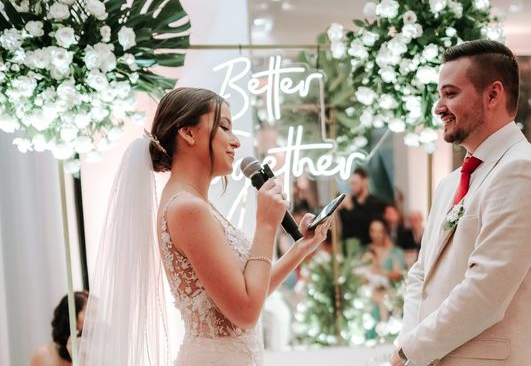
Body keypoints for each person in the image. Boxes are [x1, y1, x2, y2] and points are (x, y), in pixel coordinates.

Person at [79, 87, 331, 366]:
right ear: (188, 133)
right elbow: (246, 313)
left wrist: (302, 247)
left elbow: (247, 293)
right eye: (223, 126)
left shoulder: (195, 203)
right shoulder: (187, 208)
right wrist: (265, 225)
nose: (235, 141)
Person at [392, 40, 531, 366]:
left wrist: (409, 351)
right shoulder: (450, 182)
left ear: (493, 95)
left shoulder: (524, 171)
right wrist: (409, 345)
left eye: (451, 93)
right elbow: (420, 276)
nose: (439, 107)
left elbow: (485, 294)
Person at [31, 291, 88, 365]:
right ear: (70, 318)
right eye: (90, 313)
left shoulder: (93, 351)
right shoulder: (44, 355)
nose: (96, 321)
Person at [339, 167, 386, 245]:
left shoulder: (377, 203)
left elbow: (368, 227)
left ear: (365, 181)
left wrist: (351, 208)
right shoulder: (349, 202)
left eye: (354, 183)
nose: (351, 187)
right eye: (350, 184)